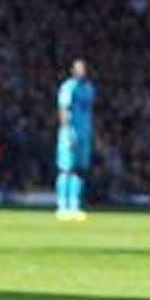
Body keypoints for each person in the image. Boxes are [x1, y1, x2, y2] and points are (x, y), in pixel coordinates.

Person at [56, 58, 95, 219]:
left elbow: (89, 112)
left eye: (83, 69)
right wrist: (67, 132)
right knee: (66, 169)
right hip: (70, 133)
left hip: (84, 134)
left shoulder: (90, 88)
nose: (81, 71)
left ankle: (74, 206)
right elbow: (63, 109)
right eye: (78, 69)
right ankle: (62, 206)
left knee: (79, 170)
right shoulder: (68, 87)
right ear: (72, 71)